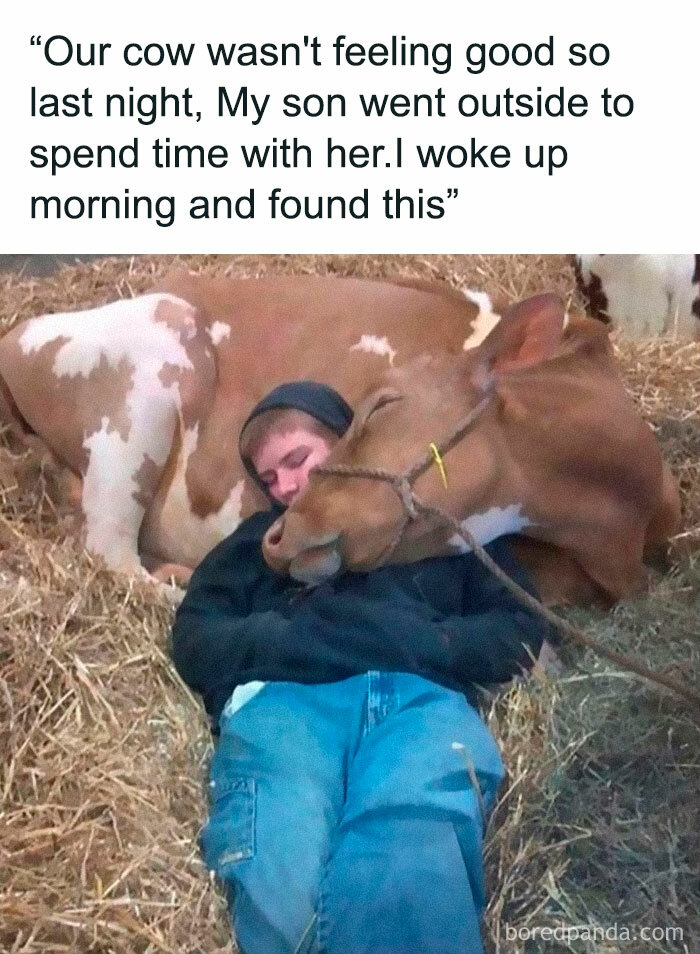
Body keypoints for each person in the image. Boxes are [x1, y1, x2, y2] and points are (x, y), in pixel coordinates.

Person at [171, 381, 549, 954]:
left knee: (411, 850)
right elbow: (198, 635)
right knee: (280, 863)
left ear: (347, 443)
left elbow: (519, 627)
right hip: (287, 705)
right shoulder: (260, 542)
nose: (287, 488)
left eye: (297, 460)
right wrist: (285, 641)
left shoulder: (434, 523)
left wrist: (431, 642)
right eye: (270, 479)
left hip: (418, 705)